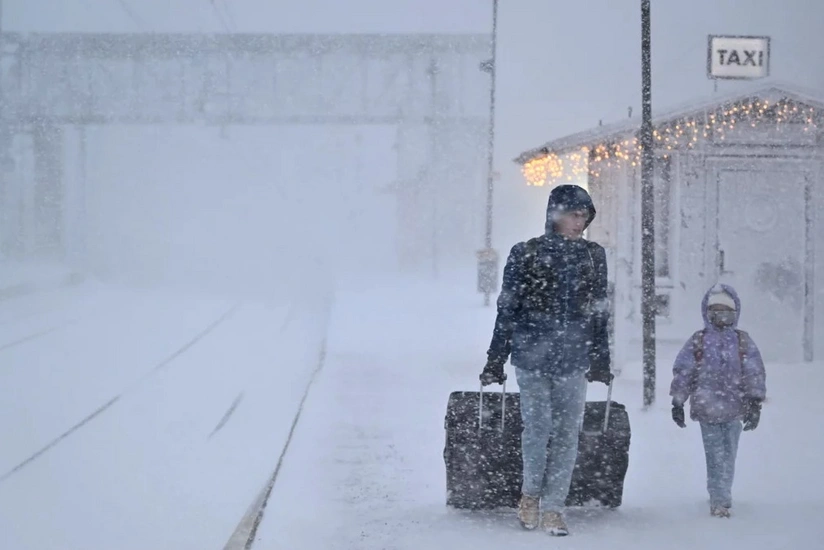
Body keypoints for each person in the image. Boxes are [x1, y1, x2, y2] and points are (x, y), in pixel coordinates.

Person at [480, 184, 613, 536]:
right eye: (573, 214)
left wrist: (601, 356)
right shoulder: (526, 254)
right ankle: (530, 496)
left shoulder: (592, 256)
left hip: (574, 358)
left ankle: (554, 506)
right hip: (531, 357)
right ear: (554, 215)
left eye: (584, 216)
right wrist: (496, 358)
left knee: (568, 433)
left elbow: (600, 311)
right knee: (537, 430)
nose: (579, 223)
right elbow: (507, 309)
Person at [670, 284, 767, 518]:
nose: (721, 315)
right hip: (707, 410)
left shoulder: (743, 341)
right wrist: (678, 401)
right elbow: (684, 371)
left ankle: (722, 492)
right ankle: (719, 499)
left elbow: (754, 372)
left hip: (735, 409)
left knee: (729, 454)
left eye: (726, 310)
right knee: (715, 455)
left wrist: (755, 402)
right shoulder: (699, 341)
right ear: (707, 312)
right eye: (716, 310)